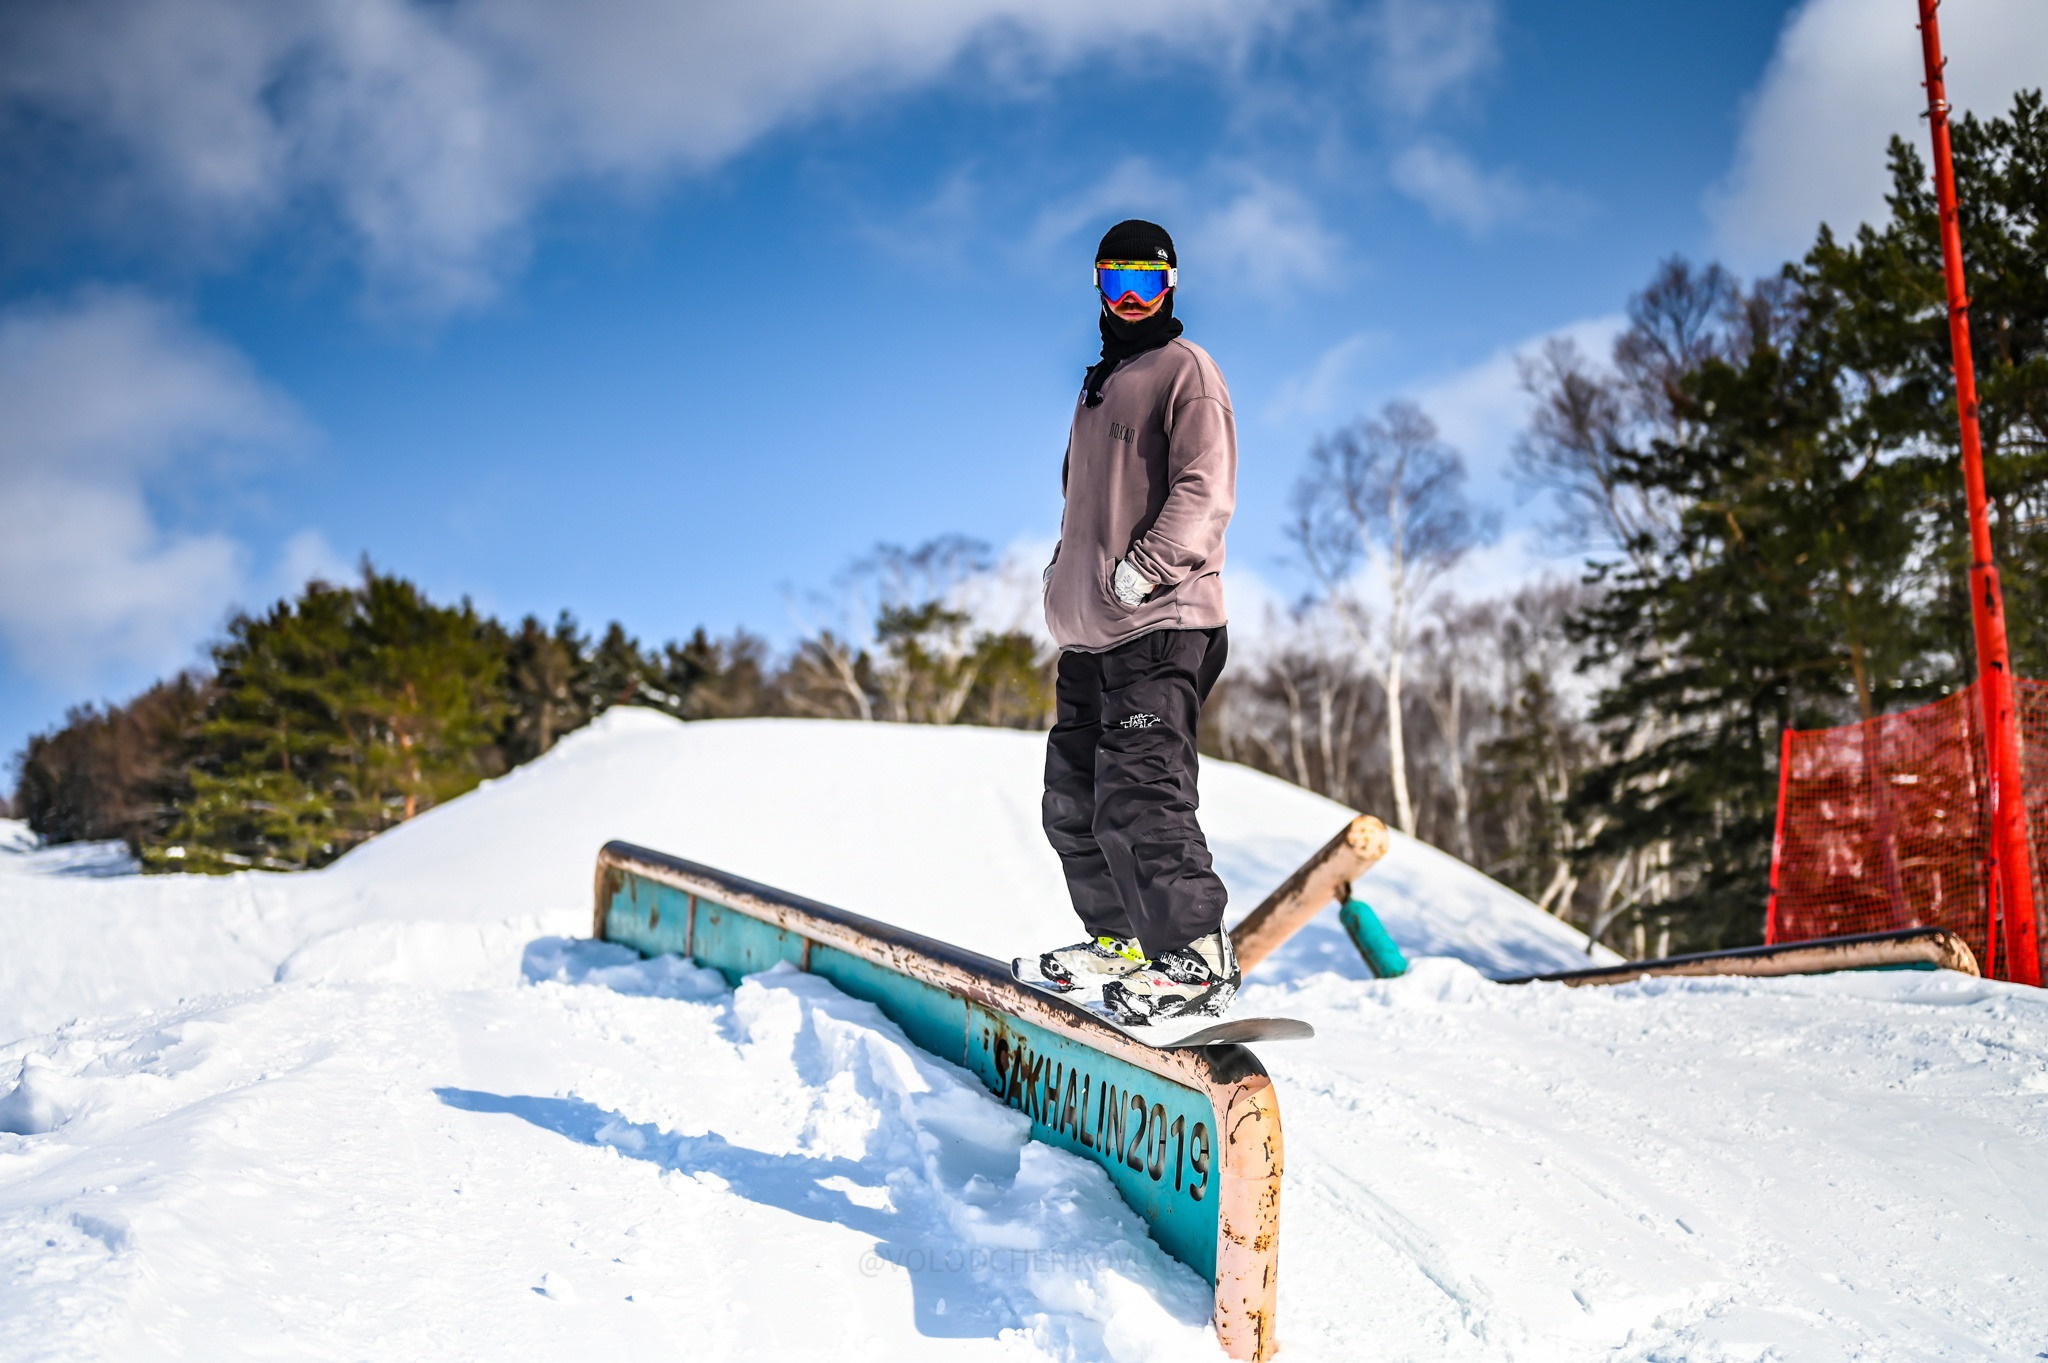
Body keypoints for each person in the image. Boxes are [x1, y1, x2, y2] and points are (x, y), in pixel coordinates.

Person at [1028, 218, 1239, 1024]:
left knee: (1142, 793)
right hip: (1089, 635)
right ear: (1098, 287)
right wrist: (1064, 582)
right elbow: (1079, 507)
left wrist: (1141, 571)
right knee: (1073, 801)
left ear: (1171, 286)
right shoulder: (1098, 385)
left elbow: (1205, 488)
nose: (1130, 298)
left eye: (1145, 282)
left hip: (1161, 621)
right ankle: (1119, 942)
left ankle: (1196, 955)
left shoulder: (1186, 369)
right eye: (1116, 281)